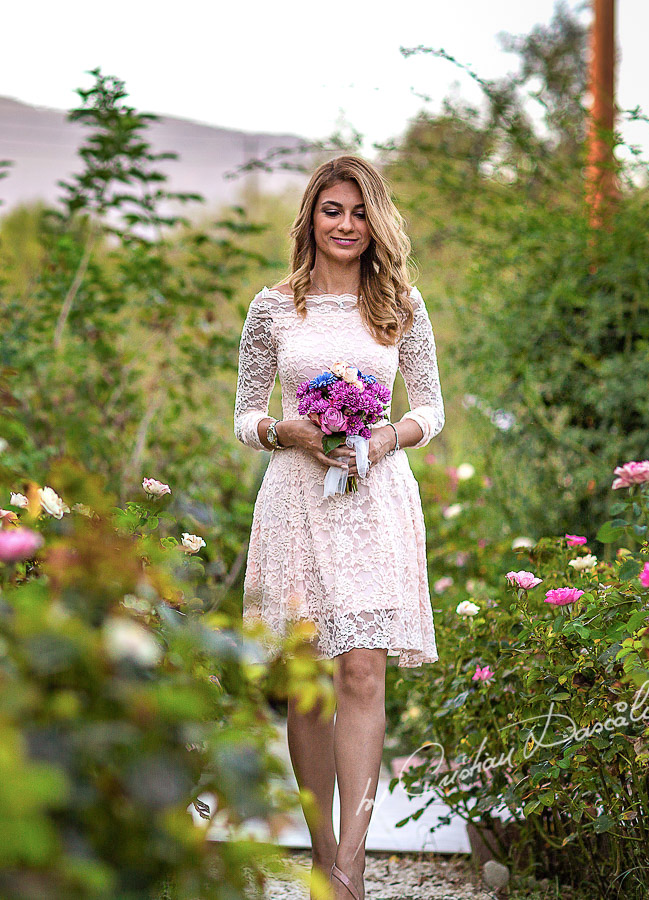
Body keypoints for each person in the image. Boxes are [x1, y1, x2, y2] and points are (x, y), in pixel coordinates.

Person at [233, 155, 444, 900]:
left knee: (362, 669)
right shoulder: (272, 308)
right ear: (311, 220)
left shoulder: (400, 307)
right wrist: (284, 432)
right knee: (308, 683)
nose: (347, 225)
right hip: (297, 500)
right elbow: (243, 415)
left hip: (374, 500)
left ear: (374, 220)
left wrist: (384, 438)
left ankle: (353, 861)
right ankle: (322, 850)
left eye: (359, 212)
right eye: (332, 211)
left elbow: (432, 410)